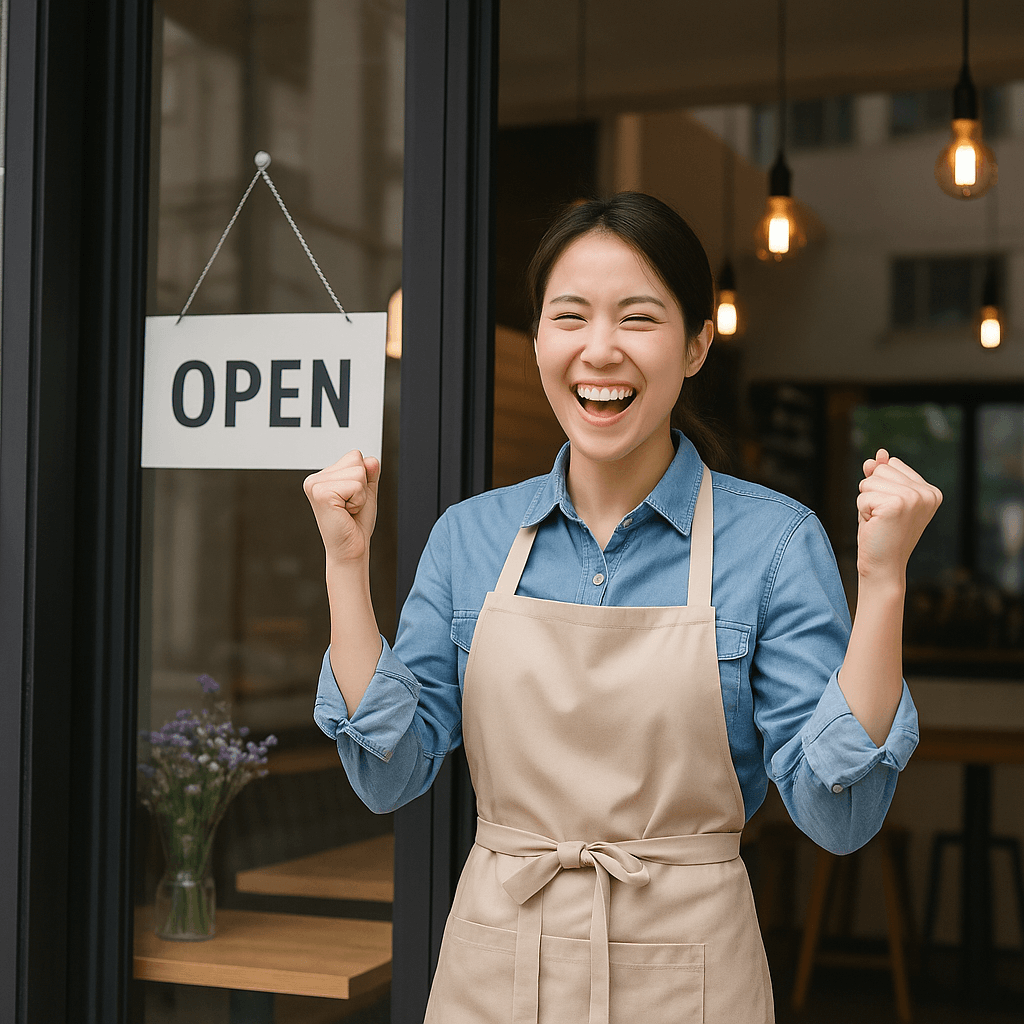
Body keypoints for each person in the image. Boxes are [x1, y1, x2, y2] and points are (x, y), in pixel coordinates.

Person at [305, 192, 942, 1024]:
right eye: (569, 317)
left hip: (691, 982)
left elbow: (839, 815)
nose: (599, 351)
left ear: (697, 345)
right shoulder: (471, 538)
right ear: (538, 340)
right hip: (493, 973)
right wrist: (346, 565)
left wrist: (885, 581)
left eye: (638, 318)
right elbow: (390, 775)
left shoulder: (776, 544)